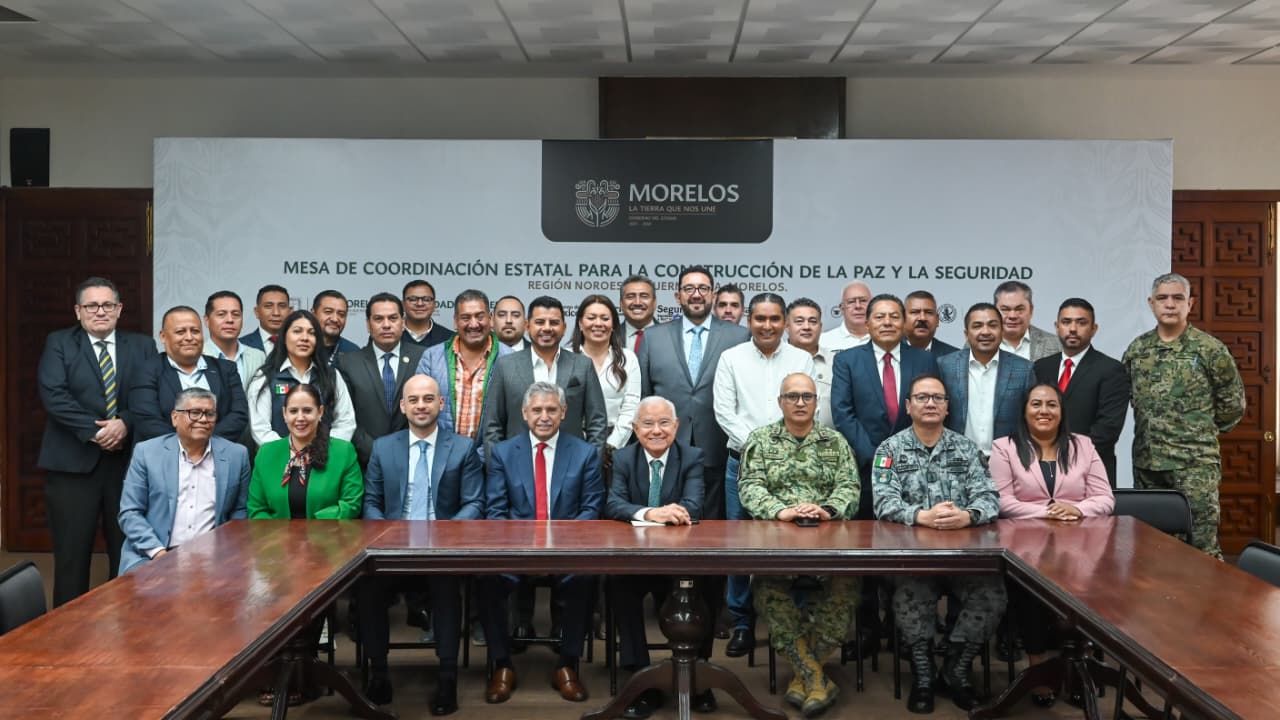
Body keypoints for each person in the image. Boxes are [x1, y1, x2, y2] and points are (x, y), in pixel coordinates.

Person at [873, 374, 1006, 713]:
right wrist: (921, 516)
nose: (930, 403)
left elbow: (989, 497)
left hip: (964, 556)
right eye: (922, 397)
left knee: (992, 596)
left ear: (947, 407)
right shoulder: (889, 450)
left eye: (937, 398)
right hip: (914, 558)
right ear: (908, 406)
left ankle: (956, 669)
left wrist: (968, 515)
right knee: (909, 597)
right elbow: (883, 502)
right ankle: (924, 673)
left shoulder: (966, 448)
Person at [358, 375, 484, 715]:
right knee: (367, 591)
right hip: (393, 549)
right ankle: (379, 674)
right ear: (403, 406)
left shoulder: (462, 448)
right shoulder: (384, 447)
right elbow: (371, 501)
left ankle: (447, 677)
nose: (421, 406)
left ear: (441, 403)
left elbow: (474, 503)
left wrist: (444, 534)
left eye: (428, 399)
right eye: (413, 400)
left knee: (447, 591)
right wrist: (388, 535)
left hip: (441, 549)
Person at [739, 374, 860, 718]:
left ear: (816, 402)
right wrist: (782, 511)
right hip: (776, 542)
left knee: (848, 586)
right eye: (792, 396)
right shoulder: (760, 440)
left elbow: (850, 486)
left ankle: (804, 675)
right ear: (780, 402)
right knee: (766, 591)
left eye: (807, 396)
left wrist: (828, 510)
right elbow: (749, 486)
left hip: (829, 542)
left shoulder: (835, 441)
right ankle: (814, 676)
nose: (800, 402)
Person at [990, 383, 1115, 707]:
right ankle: (1039, 670)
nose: (1044, 410)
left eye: (1051, 404)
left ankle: (1078, 669)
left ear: (1061, 412)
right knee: (1030, 595)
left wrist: (1077, 509)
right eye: (1036, 404)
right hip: (1025, 547)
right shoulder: (1005, 447)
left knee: (1085, 594)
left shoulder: (1083, 445)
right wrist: (1048, 511)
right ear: (1024, 411)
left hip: (1080, 546)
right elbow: (1001, 501)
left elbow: (1105, 498)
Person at [479, 382, 604, 704]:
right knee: (487, 578)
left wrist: (558, 545)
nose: (544, 416)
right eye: (537, 410)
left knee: (584, 578)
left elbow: (590, 510)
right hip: (517, 551)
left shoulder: (585, 453)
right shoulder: (504, 453)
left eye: (551, 409)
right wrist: (524, 548)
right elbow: (496, 512)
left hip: (566, 551)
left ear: (563, 413)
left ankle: (567, 665)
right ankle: (502, 665)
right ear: (524, 413)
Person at [831, 294, 938, 654]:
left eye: (894, 316)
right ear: (867, 322)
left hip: (913, 472)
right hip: (865, 471)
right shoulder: (847, 360)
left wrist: (902, 459)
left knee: (905, 553)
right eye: (880, 317)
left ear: (904, 322)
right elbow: (843, 413)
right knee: (864, 554)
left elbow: (929, 410)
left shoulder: (924, 359)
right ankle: (866, 630)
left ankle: (901, 629)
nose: (888, 322)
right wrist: (879, 459)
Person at [38, 277, 155, 606]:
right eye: (91, 306)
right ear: (78, 311)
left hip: (126, 467)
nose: (100, 311)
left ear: (119, 309)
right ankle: (68, 630)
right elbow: (54, 395)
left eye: (107, 305)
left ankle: (127, 624)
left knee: (128, 554)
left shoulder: (142, 346)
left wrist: (125, 423)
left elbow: (149, 394)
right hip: (71, 467)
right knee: (71, 558)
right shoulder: (59, 343)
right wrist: (99, 432)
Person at [713, 292, 814, 657]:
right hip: (742, 463)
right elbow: (724, 412)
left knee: (795, 543)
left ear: (784, 322)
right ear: (749, 321)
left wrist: (781, 450)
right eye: (760, 319)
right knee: (740, 546)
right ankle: (742, 622)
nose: (767, 326)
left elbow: (807, 407)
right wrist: (762, 448)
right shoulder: (731, 358)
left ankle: (791, 622)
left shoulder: (801, 358)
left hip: (794, 465)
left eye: (774, 319)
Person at [1123, 272, 1245, 559]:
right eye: (1163, 298)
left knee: (1201, 548)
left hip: (1194, 466)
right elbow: (1127, 395)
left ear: (1190, 304)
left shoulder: (1209, 350)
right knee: (1151, 548)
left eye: (1178, 298)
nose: (1170, 304)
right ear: (1151, 303)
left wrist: (1197, 434)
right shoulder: (1138, 350)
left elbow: (1233, 404)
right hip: (1148, 464)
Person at [604, 396, 708, 718]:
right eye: (647, 424)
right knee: (619, 587)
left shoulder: (691, 457)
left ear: (676, 426)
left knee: (708, 584)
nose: (656, 431)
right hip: (636, 559)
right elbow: (613, 504)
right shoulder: (623, 458)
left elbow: (694, 505)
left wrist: (670, 514)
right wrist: (652, 513)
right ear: (636, 429)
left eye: (664, 423)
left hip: (678, 560)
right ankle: (641, 679)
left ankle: (697, 676)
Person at [638, 265, 750, 525]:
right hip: (666, 446)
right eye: (689, 289)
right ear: (678, 296)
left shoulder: (739, 336)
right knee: (667, 522)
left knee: (713, 524)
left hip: (717, 444)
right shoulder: (653, 337)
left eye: (703, 288)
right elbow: (644, 395)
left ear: (713, 294)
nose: (696, 294)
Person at [118, 387, 250, 574]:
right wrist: (160, 554)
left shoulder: (236, 455)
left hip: (213, 560)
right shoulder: (147, 453)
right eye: (194, 413)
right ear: (175, 417)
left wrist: (224, 553)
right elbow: (130, 512)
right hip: (153, 555)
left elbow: (239, 512)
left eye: (210, 414)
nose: (203, 419)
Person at [479, 295, 607, 454]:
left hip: (572, 463)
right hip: (517, 463)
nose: (547, 328)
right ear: (527, 326)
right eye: (540, 322)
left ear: (564, 328)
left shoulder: (583, 365)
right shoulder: (506, 366)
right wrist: (498, 466)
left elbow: (597, 423)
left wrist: (590, 463)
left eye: (554, 322)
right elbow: (492, 426)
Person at [1033, 298, 1129, 486]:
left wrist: (1063, 456)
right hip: (1043, 470)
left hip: (1091, 471)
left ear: (1094, 329)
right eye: (1066, 322)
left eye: (1081, 322)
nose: (1073, 329)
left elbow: (1107, 429)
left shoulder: (1111, 369)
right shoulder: (1041, 367)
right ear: (1057, 327)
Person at [130, 305, 248, 443]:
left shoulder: (226, 369)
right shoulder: (146, 370)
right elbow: (147, 420)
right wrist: (186, 447)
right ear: (163, 336)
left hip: (218, 451)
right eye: (180, 332)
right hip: (163, 452)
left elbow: (239, 414)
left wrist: (206, 445)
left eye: (195, 331)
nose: (189, 337)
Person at [247, 382, 363, 519]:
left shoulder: (343, 452)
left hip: (328, 532)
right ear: (284, 414)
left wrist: (309, 527)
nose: (300, 418)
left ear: (320, 412)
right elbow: (256, 509)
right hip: (276, 533)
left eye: (307, 411)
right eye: (293, 411)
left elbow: (351, 505)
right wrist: (281, 531)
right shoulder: (266, 454)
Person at [338, 293, 425, 467]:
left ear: (403, 323)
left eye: (393, 318)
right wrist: (376, 453)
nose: (386, 325)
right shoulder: (348, 362)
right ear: (368, 324)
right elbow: (346, 417)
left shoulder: (423, 357)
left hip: (414, 459)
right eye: (378, 319)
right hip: (364, 463)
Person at [937, 303, 1035, 459]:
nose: (985, 332)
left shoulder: (1024, 369)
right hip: (956, 460)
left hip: (1007, 461)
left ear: (1002, 331)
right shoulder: (945, 365)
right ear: (966, 334)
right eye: (977, 326)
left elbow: (1031, 420)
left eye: (992, 325)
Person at [246, 310, 356, 447]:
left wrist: (323, 450)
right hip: (279, 457)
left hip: (326, 456)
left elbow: (346, 422)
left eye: (311, 333)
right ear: (284, 337)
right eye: (297, 331)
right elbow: (260, 429)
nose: (305, 338)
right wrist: (294, 452)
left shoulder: (332, 376)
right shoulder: (265, 377)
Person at [416, 289, 514, 439]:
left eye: (480, 317)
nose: (474, 324)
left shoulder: (510, 359)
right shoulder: (431, 358)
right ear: (456, 321)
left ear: (490, 318)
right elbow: (419, 409)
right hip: (441, 451)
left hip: (492, 451)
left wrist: (487, 452)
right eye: (466, 318)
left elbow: (514, 417)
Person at [570, 294, 641, 452]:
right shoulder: (565, 357)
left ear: (613, 324)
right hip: (572, 442)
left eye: (605, 318)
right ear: (580, 323)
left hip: (616, 444)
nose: (598, 323)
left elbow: (631, 407)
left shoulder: (628, 358)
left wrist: (611, 446)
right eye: (591, 318)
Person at [203, 290, 266, 391]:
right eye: (221, 314)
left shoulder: (259, 357)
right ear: (207, 321)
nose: (230, 320)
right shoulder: (197, 356)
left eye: (236, 314)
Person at [786, 297, 834, 427]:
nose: (806, 327)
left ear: (820, 327)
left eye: (813, 321)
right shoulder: (773, 360)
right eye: (799, 321)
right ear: (787, 326)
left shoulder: (837, 362)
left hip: (829, 438)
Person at [993, 281, 1058, 362]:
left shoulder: (1056, 344)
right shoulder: (979, 344)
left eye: (1019, 309)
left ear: (1031, 310)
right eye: (1005, 309)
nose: (1012, 316)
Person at [312, 289, 361, 369]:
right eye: (328, 312)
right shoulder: (301, 346)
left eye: (341, 314)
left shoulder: (353, 352)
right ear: (313, 314)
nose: (335, 319)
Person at [903, 290, 959, 357]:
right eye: (915, 312)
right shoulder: (891, 351)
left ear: (937, 320)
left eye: (929, 312)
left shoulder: (956, 356)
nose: (922, 318)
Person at [819, 281, 871, 352]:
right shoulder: (822, 341)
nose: (858, 306)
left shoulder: (884, 340)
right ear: (842, 308)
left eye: (863, 301)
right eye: (851, 302)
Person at [402, 279, 455, 348]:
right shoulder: (391, 335)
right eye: (413, 299)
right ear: (403, 304)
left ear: (434, 305)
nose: (420, 304)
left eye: (426, 299)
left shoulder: (450, 339)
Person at [240, 284, 290, 355]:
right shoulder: (240, 345)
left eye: (282, 306)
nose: (276, 313)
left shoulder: (300, 344)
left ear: (290, 312)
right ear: (257, 312)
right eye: (268, 306)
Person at [616, 275, 658, 353]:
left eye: (644, 296)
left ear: (654, 302)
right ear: (621, 303)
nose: (637, 302)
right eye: (630, 297)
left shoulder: (670, 337)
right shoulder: (609, 337)